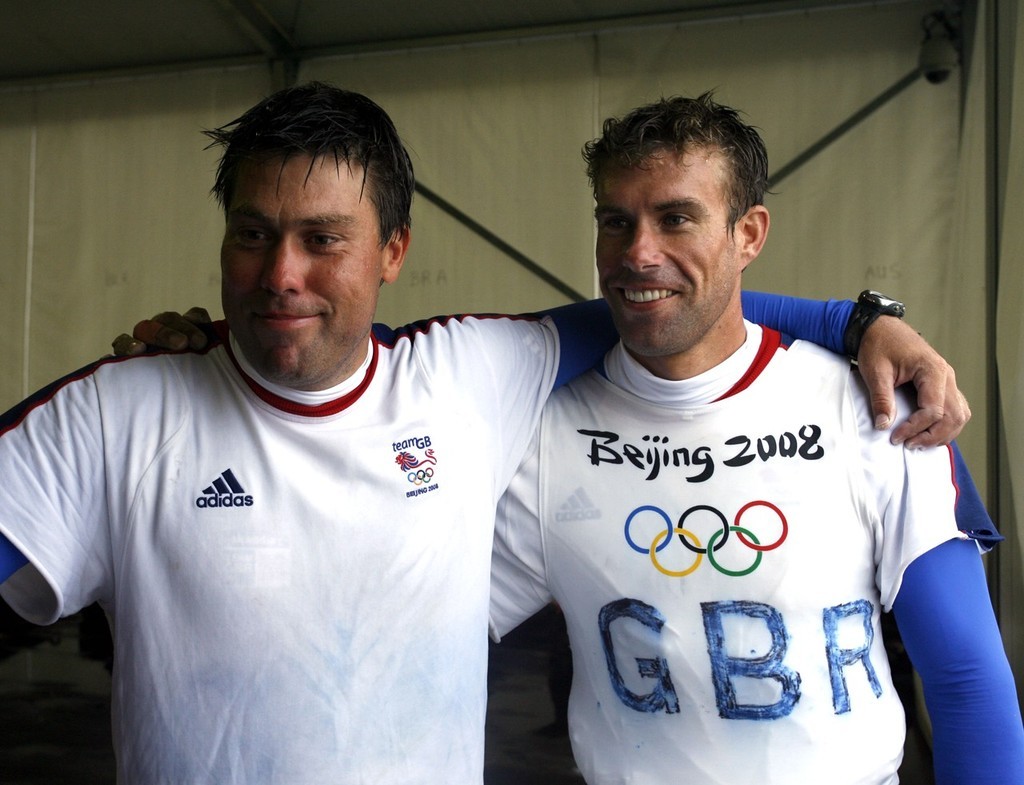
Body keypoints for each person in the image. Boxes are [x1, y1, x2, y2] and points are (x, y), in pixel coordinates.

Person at [0, 82, 974, 783]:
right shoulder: (115, 413)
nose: (280, 272)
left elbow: (673, 299)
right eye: (253, 233)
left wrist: (857, 321)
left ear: (392, 251)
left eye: (321, 238)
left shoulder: (471, 371)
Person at [488, 94, 1024, 784]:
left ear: (750, 234)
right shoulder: (542, 434)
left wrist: (852, 324)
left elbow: (966, 678)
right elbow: (424, 634)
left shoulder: (875, 404)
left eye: (676, 217)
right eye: (615, 222)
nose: (638, 252)